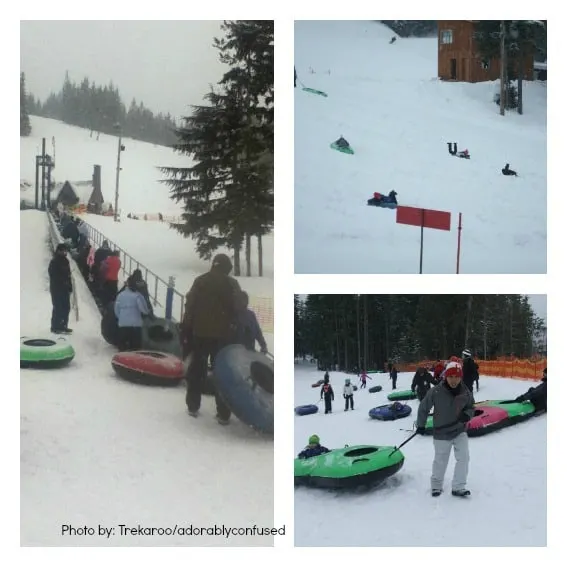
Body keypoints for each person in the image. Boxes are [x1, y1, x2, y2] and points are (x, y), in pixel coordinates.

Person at [181, 253, 242, 425]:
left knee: (196, 370)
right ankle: (223, 413)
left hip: (200, 334)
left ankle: (193, 406)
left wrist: (187, 328)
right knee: (222, 374)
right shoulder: (232, 284)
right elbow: (239, 308)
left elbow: (190, 305)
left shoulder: (200, 281)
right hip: (224, 338)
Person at [415, 358, 475, 498]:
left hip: (459, 430)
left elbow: (471, 406)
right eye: (450, 377)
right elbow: (424, 408)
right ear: (445, 376)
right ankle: (436, 486)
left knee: (464, 457)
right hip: (442, 432)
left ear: (461, 377)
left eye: (457, 377)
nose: (453, 380)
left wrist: (467, 414)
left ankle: (459, 487)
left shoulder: (465, 390)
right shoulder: (436, 391)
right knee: (441, 460)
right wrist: (421, 425)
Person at [113, 278, 149, 350]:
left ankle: (122, 357)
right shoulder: (138, 295)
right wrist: (147, 312)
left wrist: (121, 318)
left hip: (123, 323)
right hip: (135, 324)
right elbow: (143, 309)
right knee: (135, 345)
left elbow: (116, 309)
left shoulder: (120, 295)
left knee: (122, 343)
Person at [48, 243, 73, 334]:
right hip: (56, 289)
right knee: (58, 307)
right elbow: (53, 275)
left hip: (65, 289)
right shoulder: (54, 262)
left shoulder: (66, 261)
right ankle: (55, 326)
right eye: (63, 250)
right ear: (59, 251)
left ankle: (63, 325)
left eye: (65, 250)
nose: (65, 252)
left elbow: (68, 275)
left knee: (66, 307)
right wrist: (62, 281)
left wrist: (70, 286)